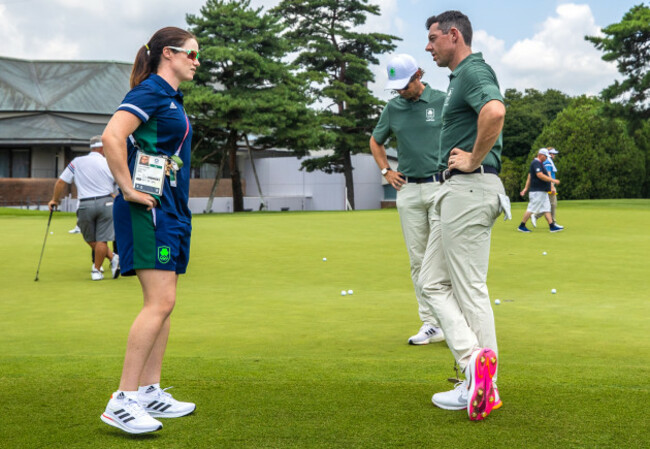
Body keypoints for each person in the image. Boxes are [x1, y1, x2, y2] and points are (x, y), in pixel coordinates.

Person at [99, 26, 200, 435]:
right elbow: (112, 136)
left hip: (170, 208)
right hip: (149, 210)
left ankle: (149, 389)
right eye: (191, 54)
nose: (197, 62)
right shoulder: (151, 92)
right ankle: (122, 400)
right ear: (169, 54)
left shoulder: (171, 98)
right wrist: (127, 188)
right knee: (158, 302)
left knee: (166, 301)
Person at [420, 10, 506, 421]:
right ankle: (475, 366)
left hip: (469, 189)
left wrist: (473, 158)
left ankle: (483, 386)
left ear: (454, 35)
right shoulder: (459, 78)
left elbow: (495, 111)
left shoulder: (473, 70)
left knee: (468, 287)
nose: (428, 45)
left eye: (434, 38)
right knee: (432, 282)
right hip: (457, 192)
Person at [369, 54, 446, 345]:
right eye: (397, 87)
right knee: (418, 260)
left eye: (405, 85)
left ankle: (456, 319)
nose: (401, 91)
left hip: (441, 185)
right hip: (409, 190)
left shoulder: (442, 100)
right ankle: (430, 323)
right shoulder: (393, 107)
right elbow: (376, 141)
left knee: (447, 255)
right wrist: (386, 170)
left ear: (418, 75)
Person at [48, 136, 120, 280]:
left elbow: (61, 182)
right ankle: (113, 258)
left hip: (85, 204)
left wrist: (55, 200)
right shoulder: (110, 162)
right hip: (106, 202)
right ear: (101, 148)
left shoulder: (77, 162)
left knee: (91, 239)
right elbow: (119, 183)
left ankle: (97, 270)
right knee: (101, 239)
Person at [518, 148, 563, 233]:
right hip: (537, 191)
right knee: (531, 208)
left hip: (543, 191)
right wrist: (553, 180)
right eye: (546, 156)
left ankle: (552, 226)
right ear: (541, 155)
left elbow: (530, 177)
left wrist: (525, 188)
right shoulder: (536, 163)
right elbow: (539, 175)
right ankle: (522, 225)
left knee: (546, 208)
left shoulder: (540, 163)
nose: (547, 158)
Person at [532, 147, 560, 227]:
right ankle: (537, 216)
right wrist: (552, 186)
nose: (554, 155)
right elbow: (548, 174)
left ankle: (536, 216)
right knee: (552, 204)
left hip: (547, 184)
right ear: (550, 154)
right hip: (549, 184)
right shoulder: (548, 162)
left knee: (550, 204)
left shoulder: (547, 161)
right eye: (553, 154)